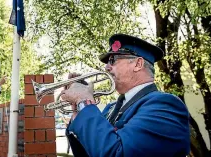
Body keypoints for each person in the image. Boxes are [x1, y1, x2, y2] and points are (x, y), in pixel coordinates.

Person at [61, 34, 190, 157]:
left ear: (138, 64)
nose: (106, 67)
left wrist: (84, 101)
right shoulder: (110, 109)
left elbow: (118, 153)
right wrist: (80, 112)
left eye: (113, 60)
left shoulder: (165, 106)